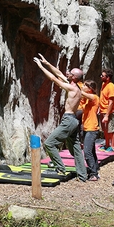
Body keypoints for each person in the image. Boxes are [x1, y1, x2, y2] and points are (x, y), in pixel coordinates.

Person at [33, 54, 87, 182]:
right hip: (74, 120)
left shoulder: (71, 87)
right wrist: (46, 62)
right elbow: (58, 74)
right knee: (76, 149)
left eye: (70, 73)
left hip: (68, 120)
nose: (67, 73)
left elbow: (53, 78)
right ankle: (83, 176)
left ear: (74, 77)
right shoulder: (77, 86)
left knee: (49, 143)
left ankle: (60, 168)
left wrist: (40, 66)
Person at [80, 80, 100, 181]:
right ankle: (95, 169)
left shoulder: (95, 98)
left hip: (92, 129)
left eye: (85, 85)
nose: (82, 87)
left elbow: (84, 93)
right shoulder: (85, 100)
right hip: (86, 128)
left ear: (90, 89)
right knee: (91, 151)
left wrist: (78, 89)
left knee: (87, 151)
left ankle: (94, 174)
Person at [98, 68, 114, 152]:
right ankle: (106, 144)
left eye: (102, 76)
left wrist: (107, 115)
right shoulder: (103, 84)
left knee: (110, 129)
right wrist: (99, 107)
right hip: (102, 110)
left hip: (109, 111)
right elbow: (102, 97)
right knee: (105, 129)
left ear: (108, 77)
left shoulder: (111, 87)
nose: (100, 76)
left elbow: (111, 102)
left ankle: (112, 146)